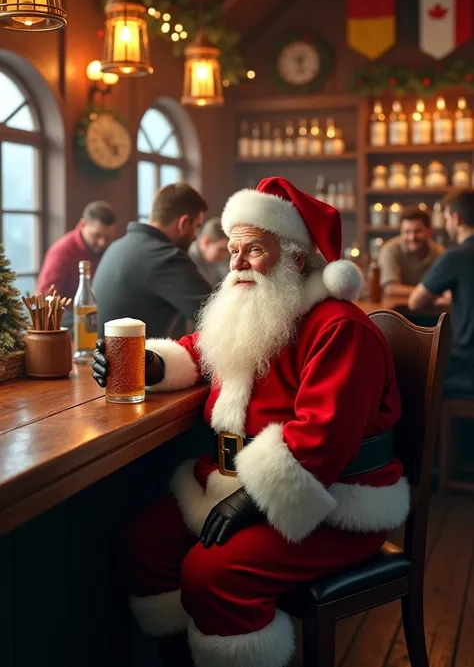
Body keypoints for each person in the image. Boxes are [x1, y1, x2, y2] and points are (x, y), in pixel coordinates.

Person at [92, 177, 409, 667]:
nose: (235, 264)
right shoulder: (258, 305)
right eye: (234, 249)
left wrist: (253, 497)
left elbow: (323, 438)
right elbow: (200, 353)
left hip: (336, 500)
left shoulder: (340, 328)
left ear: (297, 258)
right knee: (142, 545)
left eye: (253, 250)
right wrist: (150, 365)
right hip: (236, 483)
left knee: (211, 574)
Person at [93, 183, 212, 339]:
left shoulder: (118, 246)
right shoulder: (166, 257)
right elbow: (218, 315)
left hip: (100, 359)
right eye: (196, 226)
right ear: (183, 223)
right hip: (132, 361)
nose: (196, 236)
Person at [409, 189, 474, 395]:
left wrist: (440, 296)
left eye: (446, 219)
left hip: (466, 366)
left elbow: (415, 302)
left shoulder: (455, 256)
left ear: (456, 219)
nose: (446, 226)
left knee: (409, 375)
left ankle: (434, 428)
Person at [37, 201, 117, 328]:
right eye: (96, 235)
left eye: (108, 237)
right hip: (69, 318)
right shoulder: (61, 252)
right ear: (83, 224)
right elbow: (47, 297)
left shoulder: (111, 249)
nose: (102, 242)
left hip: (100, 315)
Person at [378, 206, 444, 296]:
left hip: (430, 308)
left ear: (429, 231)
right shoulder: (390, 250)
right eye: (407, 232)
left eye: (417, 231)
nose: (412, 237)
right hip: (395, 308)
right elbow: (390, 288)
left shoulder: (439, 252)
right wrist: (428, 292)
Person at [188, 217, 229, 286]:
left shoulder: (215, 261)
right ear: (206, 242)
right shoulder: (187, 261)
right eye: (221, 249)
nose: (225, 256)